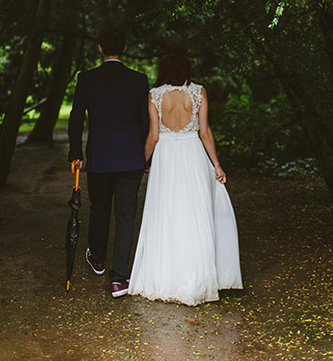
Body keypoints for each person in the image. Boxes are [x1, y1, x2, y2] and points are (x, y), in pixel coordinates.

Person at [128, 44, 243, 305]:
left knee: (165, 213)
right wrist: (216, 164)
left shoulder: (154, 95)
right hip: (192, 154)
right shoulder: (199, 92)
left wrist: (141, 162)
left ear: (164, 66)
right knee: (195, 213)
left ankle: (165, 277)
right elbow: (205, 133)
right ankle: (196, 280)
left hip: (166, 157)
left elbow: (154, 136)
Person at [68, 27, 149, 298]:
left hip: (100, 157)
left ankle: (98, 258)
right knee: (126, 216)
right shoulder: (138, 80)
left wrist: (76, 152)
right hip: (131, 159)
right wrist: (146, 156)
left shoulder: (87, 79)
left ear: (99, 48)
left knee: (99, 209)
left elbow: (76, 117)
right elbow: (145, 122)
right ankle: (119, 279)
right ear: (124, 48)